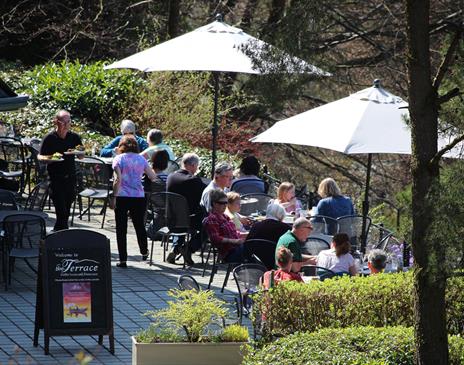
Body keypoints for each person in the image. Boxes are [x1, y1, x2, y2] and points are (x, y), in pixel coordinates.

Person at [112, 135, 157, 268]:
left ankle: (122, 259)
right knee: (139, 225)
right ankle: (144, 251)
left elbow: (117, 180)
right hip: (138, 196)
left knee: (121, 228)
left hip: (122, 196)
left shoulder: (118, 159)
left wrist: (113, 197)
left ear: (121, 146)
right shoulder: (141, 159)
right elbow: (153, 176)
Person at [39, 110, 83, 231]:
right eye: (64, 121)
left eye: (69, 121)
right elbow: (40, 157)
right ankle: (62, 235)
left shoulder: (74, 137)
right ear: (57, 122)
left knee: (66, 211)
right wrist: (52, 158)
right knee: (61, 211)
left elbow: (81, 154)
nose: (67, 124)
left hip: (70, 177)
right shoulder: (49, 138)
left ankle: (58, 234)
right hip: (55, 178)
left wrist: (79, 152)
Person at [166, 153, 207, 265]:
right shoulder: (193, 180)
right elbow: (207, 193)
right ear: (193, 165)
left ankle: (175, 248)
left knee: (181, 215)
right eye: (197, 166)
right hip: (188, 220)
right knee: (209, 225)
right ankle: (188, 249)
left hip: (171, 219)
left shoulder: (171, 177)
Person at [203, 189, 247, 263]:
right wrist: (234, 241)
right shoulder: (212, 218)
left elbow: (234, 233)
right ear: (214, 204)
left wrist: (247, 234)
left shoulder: (225, 216)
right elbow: (215, 238)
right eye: (222, 203)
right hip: (230, 253)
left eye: (226, 203)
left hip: (237, 247)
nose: (225, 205)